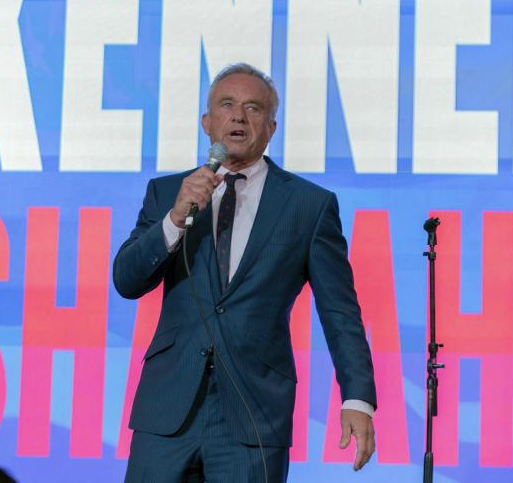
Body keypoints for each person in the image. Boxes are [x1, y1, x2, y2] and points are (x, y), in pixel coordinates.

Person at [114, 63, 377, 482]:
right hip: (167, 413)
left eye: (253, 108)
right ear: (207, 122)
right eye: (227, 104)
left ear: (271, 128)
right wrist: (174, 218)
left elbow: (340, 313)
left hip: (253, 415)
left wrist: (358, 398)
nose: (238, 116)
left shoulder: (308, 206)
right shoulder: (167, 192)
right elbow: (127, 280)